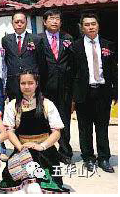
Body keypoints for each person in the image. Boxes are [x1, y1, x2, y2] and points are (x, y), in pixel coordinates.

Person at [0, 70, 69, 193]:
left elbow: (57, 132)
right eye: (23, 83)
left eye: (30, 83)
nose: (26, 86)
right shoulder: (13, 105)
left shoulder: (47, 104)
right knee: (19, 188)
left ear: (36, 84)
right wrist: (20, 147)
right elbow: (9, 131)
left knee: (39, 187)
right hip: (22, 151)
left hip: (45, 152)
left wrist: (41, 146)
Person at [71, 12, 117, 173]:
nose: (90, 27)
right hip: (84, 92)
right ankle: (88, 158)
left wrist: (116, 92)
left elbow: (114, 70)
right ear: (82, 27)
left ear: (98, 25)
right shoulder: (75, 47)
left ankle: (104, 158)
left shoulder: (108, 45)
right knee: (85, 129)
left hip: (103, 92)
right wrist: (73, 96)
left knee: (102, 127)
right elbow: (71, 73)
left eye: (93, 24)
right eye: (87, 25)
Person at [38, 9, 74, 164]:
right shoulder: (38, 39)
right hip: (45, 87)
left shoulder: (68, 38)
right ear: (45, 22)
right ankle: (46, 151)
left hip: (64, 87)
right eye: (51, 18)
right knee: (44, 120)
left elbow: (72, 63)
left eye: (57, 18)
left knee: (64, 120)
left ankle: (65, 152)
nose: (54, 21)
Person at [2, 11, 44, 102]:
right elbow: (6, 59)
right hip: (13, 82)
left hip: (30, 82)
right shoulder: (6, 40)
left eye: (22, 22)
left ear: (26, 23)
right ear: (12, 23)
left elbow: (41, 61)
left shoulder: (36, 39)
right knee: (15, 107)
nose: (19, 24)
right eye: (16, 22)